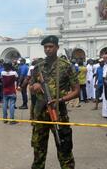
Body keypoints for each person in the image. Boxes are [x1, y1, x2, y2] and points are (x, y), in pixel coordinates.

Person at [30, 35, 80, 169]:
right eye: (45, 47)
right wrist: (34, 86)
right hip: (40, 114)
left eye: (51, 47)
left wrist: (61, 100)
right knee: (38, 150)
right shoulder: (38, 67)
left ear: (57, 47)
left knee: (64, 148)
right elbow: (31, 86)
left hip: (58, 112)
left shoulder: (65, 66)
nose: (48, 49)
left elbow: (76, 90)